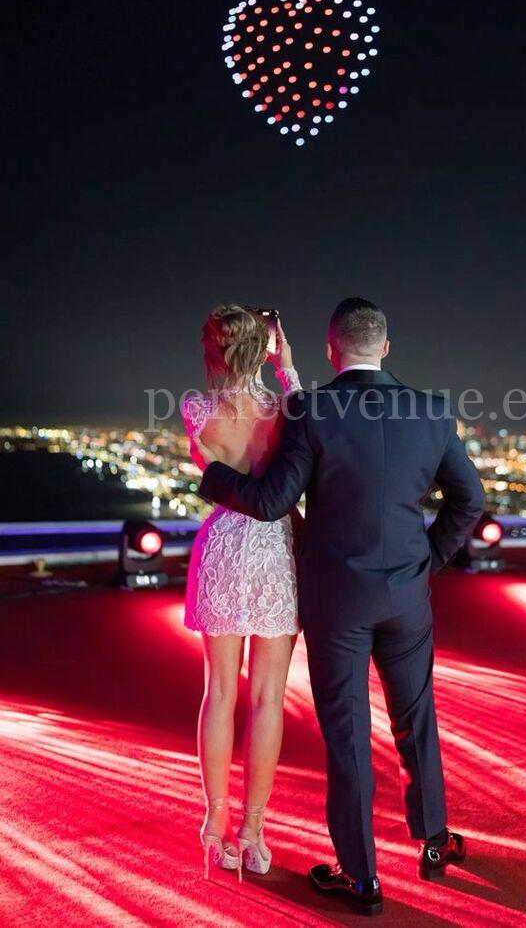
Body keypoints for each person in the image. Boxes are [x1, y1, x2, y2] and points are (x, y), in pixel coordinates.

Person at [196, 297, 485, 915]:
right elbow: (469, 501)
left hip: (336, 600)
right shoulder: (432, 411)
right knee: (416, 716)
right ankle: (434, 840)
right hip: (405, 596)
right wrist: (427, 562)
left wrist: (213, 476)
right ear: (386, 347)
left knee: (348, 732)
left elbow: (273, 500)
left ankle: (361, 879)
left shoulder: (313, 411)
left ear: (332, 351)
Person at [181, 304, 301, 881]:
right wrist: (286, 364)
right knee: (268, 697)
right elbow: (305, 428)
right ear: (263, 348)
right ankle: (254, 830)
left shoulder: (195, 408)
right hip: (276, 549)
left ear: (213, 352)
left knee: (220, 692)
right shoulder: (285, 410)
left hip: (223, 547)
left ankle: (216, 823)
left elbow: (211, 472)